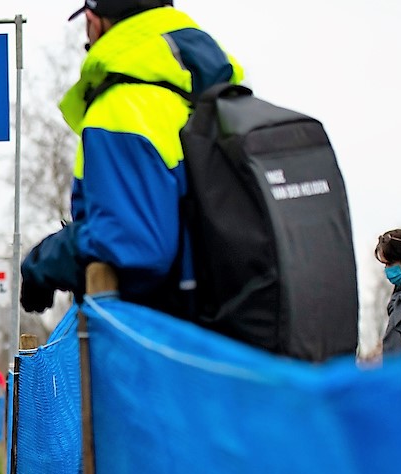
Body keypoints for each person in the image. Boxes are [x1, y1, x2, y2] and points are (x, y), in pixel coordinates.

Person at [19, 0, 244, 314]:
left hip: (162, 343)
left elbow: (132, 244)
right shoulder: (225, 95)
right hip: (231, 335)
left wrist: (43, 261)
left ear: (95, 22)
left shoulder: (123, 106)